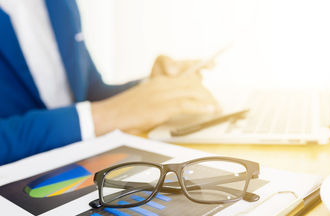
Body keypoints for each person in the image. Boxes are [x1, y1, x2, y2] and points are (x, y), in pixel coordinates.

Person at [0, 0, 218, 165]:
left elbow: (89, 91)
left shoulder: (59, 4)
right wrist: (105, 116)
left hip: (79, 166)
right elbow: (96, 113)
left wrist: (151, 89)